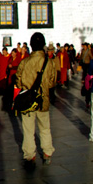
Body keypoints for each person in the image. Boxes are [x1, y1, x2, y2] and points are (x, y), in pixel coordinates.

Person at [16, 33, 56, 170]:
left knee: (28, 130)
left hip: (28, 101)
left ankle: (30, 155)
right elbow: (52, 82)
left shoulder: (25, 62)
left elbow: (18, 81)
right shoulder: (49, 62)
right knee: (45, 128)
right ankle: (47, 153)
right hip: (43, 100)